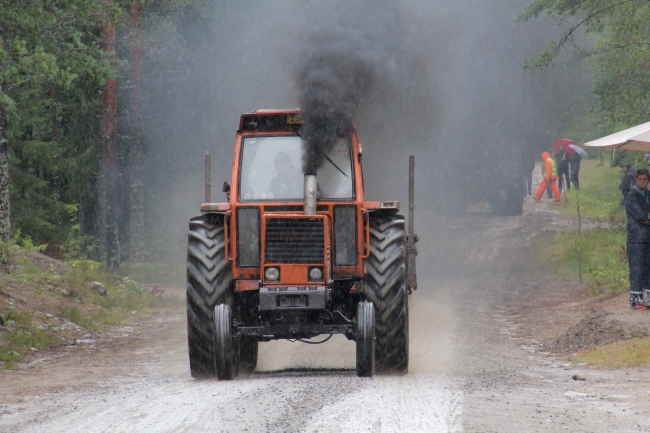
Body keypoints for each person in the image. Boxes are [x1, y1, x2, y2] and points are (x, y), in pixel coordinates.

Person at [624, 169, 650, 310]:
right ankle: (635, 299)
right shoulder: (631, 196)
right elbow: (641, 216)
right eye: (640, 179)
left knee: (648, 268)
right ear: (636, 179)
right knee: (636, 268)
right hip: (636, 238)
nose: (642, 182)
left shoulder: (648, 194)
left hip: (647, 237)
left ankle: (647, 297)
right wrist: (646, 218)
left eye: (645, 179)